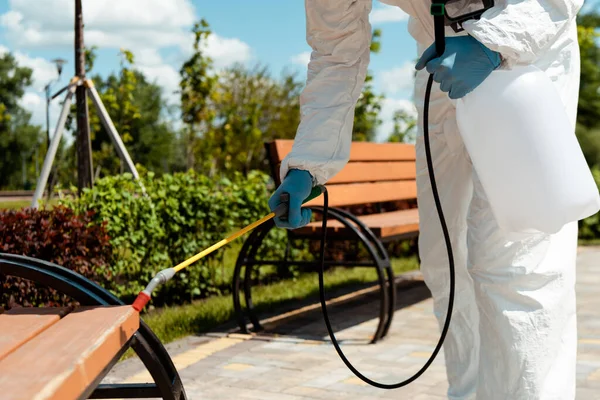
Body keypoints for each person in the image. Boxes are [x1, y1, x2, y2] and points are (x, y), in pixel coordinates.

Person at [268, 0, 584, 399]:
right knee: (443, 260)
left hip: (527, 49)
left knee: (516, 260)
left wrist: (496, 41)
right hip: (441, 61)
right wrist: (308, 163)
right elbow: (336, 53)